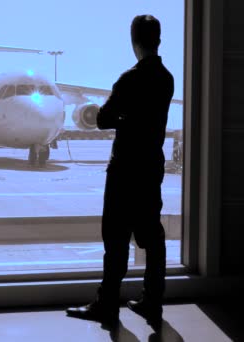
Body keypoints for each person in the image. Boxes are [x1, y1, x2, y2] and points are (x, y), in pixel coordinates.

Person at [65, 14, 174, 332]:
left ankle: (106, 304)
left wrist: (123, 117)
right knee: (152, 236)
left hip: (125, 169)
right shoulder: (166, 79)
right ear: (158, 39)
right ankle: (152, 299)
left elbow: (101, 118)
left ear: (134, 41)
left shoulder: (129, 79)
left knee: (115, 239)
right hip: (152, 166)